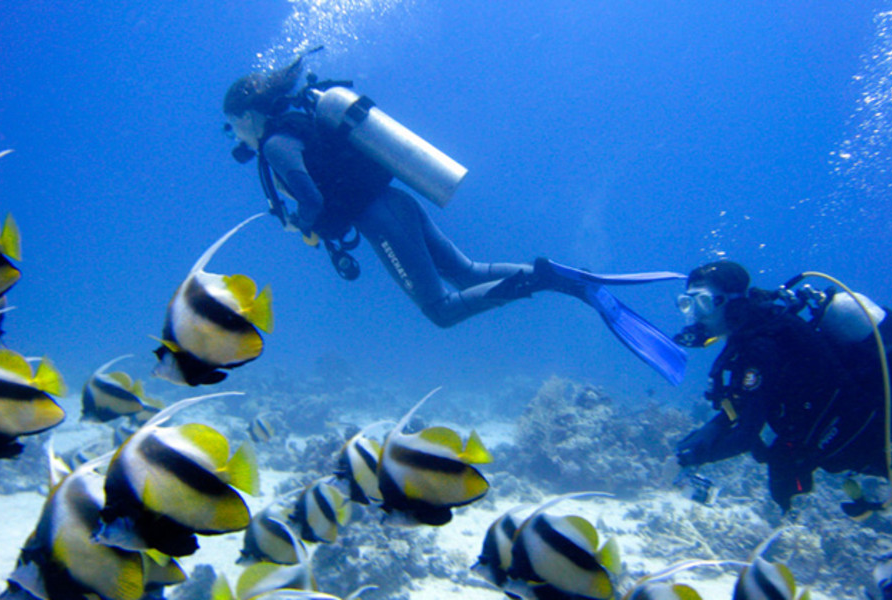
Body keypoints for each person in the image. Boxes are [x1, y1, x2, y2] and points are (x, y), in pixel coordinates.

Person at [220, 51, 687, 384]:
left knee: (441, 310)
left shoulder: (276, 144)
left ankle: (542, 278)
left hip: (380, 220)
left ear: (248, 115)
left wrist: (301, 225)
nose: (236, 133)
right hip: (397, 201)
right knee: (466, 272)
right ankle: (563, 281)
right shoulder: (304, 119)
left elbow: (311, 200)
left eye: (234, 123)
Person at [672, 261, 892, 514]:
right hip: (868, 437)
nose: (695, 315)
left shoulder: (760, 346)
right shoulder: (760, 331)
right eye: (687, 304)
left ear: (733, 302)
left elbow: (745, 436)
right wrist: (712, 428)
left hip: (886, 437)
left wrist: (691, 457)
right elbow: (751, 397)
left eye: (703, 302)